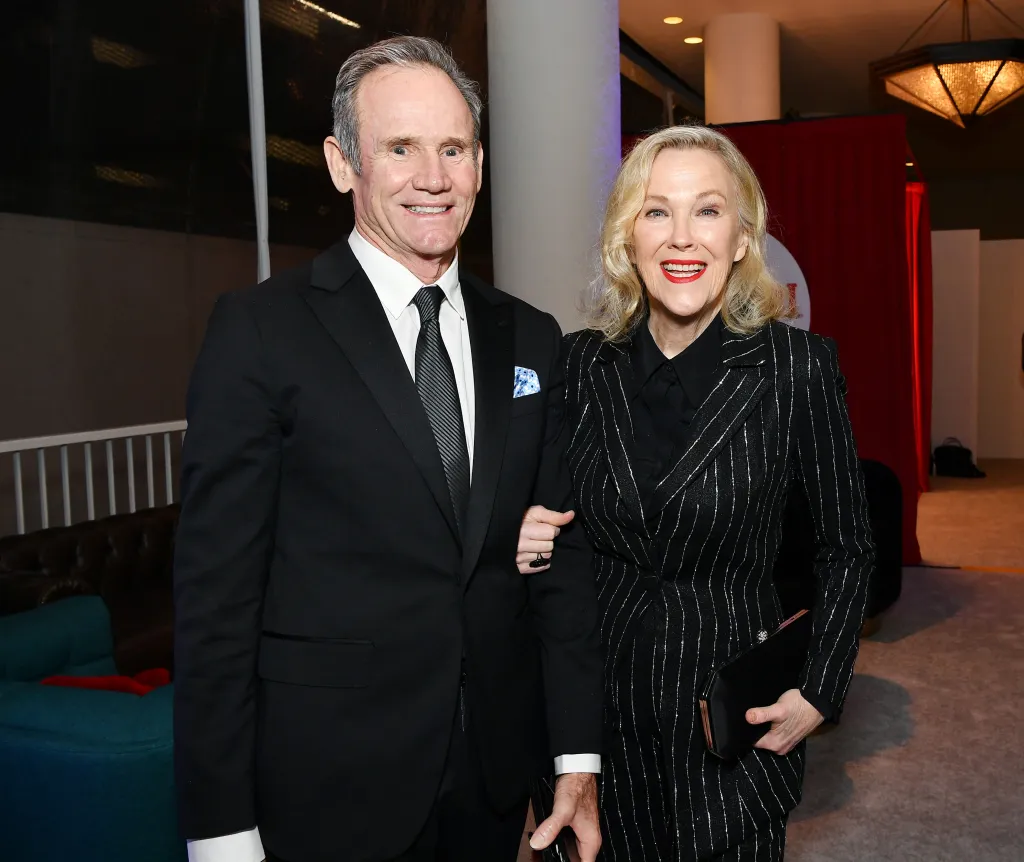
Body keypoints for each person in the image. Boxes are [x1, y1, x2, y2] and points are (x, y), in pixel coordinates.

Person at [173, 36, 603, 862]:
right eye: (399, 148)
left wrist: (575, 758)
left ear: (479, 165)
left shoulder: (531, 336)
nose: (432, 177)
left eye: (454, 149)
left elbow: (562, 564)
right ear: (343, 165)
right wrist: (219, 828)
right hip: (330, 781)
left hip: (490, 777)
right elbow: (216, 601)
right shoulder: (261, 331)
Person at [516, 125, 876, 861]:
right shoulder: (579, 364)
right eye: (657, 211)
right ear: (628, 237)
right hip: (593, 721)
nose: (682, 237)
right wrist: (520, 529)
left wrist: (820, 689)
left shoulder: (797, 369)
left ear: (742, 238)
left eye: (707, 210)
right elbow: (542, 509)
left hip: (730, 728)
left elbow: (848, 548)